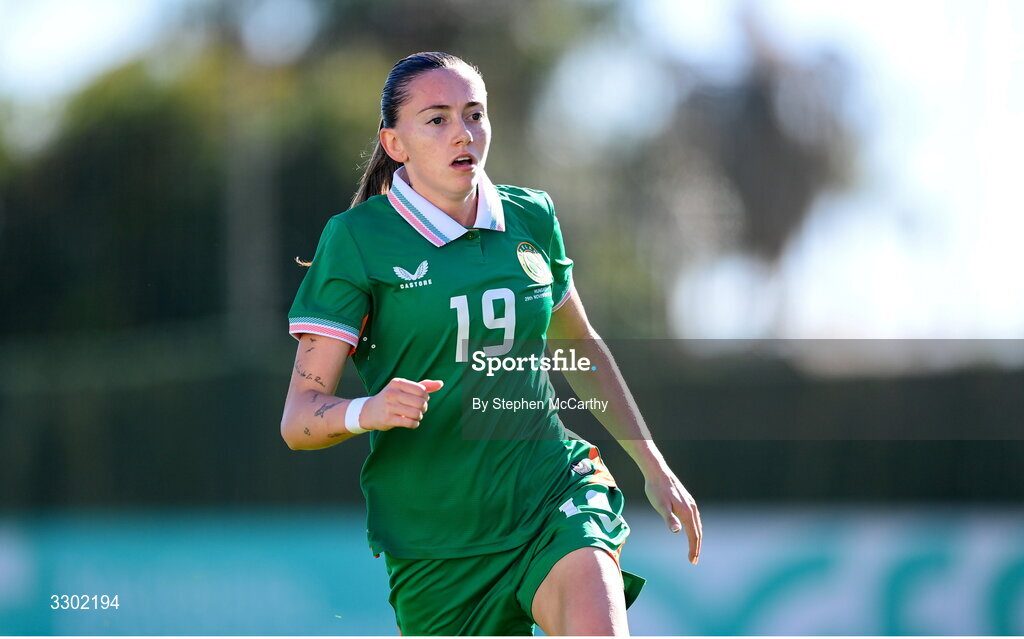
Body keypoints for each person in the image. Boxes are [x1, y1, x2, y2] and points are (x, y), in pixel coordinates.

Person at [280, 51, 701, 636]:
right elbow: (299, 419)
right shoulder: (355, 240)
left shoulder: (532, 216)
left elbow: (578, 348)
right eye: (437, 119)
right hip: (436, 545)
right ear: (394, 143)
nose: (463, 133)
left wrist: (652, 464)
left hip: (550, 495)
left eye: (474, 114)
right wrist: (366, 411)